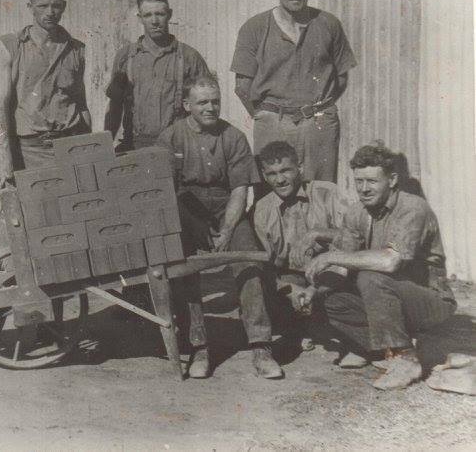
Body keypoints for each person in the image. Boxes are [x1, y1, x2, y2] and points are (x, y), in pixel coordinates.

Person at [157, 74, 281, 379]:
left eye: (215, 101)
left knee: (248, 259)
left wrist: (227, 229)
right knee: (185, 266)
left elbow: (241, 189)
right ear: (187, 105)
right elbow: (165, 192)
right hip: (186, 209)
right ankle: (199, 347)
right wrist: (193, 226)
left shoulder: (234, 137)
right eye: (202, 102)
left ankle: (261, 345)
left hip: (227, 206)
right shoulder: (171, 137)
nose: (211, 108)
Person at [304, 144, 456, 391]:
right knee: (333, 301)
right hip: (389, 301)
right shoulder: (356, 213)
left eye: (372, 181)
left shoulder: (413, 208)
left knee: (371, 276)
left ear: (392, 179)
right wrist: (313, 291)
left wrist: (331, 256)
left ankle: (406, 358)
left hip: (430, 302)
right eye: (359, 181)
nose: (364, 189)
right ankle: (392, 350)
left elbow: (390, 261)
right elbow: (346, 266)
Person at [231, 0, 356, 182]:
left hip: (318, 124)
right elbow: (242, 86)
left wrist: (319, 106)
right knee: (272, 194)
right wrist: (264, 116)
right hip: (273, 122)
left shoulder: (328, 24)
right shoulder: (255, 28)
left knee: (320, 192)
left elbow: (342, 77)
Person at [252, 141, 361, 349]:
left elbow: (354, 239)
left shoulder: (327, 192)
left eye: (286, 171)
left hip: (333, 274)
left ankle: (341, 336)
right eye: (272, 174)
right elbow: (265, 263)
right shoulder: (263, 209)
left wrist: (319, 233)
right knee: (264, 293)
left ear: (300, 168)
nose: (280, 179)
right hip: (292, 280)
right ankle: (305, 327)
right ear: (265, 177)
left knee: (345, 293)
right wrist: (286, 288)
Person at [0, 0, 90, 192]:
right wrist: (3, 162)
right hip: (29, 150)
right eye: (42, 6)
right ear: (30, 7)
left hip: (69, 145)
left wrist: (88, 150)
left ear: (64, 6)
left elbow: (81, 106)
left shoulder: (76, 49)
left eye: (56, 6)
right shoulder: (9, 47)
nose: (50, 12)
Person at [105, 0, 209, 150]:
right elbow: (115, 106)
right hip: (136, 145)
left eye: (160, 14)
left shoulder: (189, 57)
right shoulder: (126, 57)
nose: (154, 21)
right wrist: (105, 145)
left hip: (178, 146)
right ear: (140, 18)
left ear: (169, 14)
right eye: (147, 15)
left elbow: (206, 106)